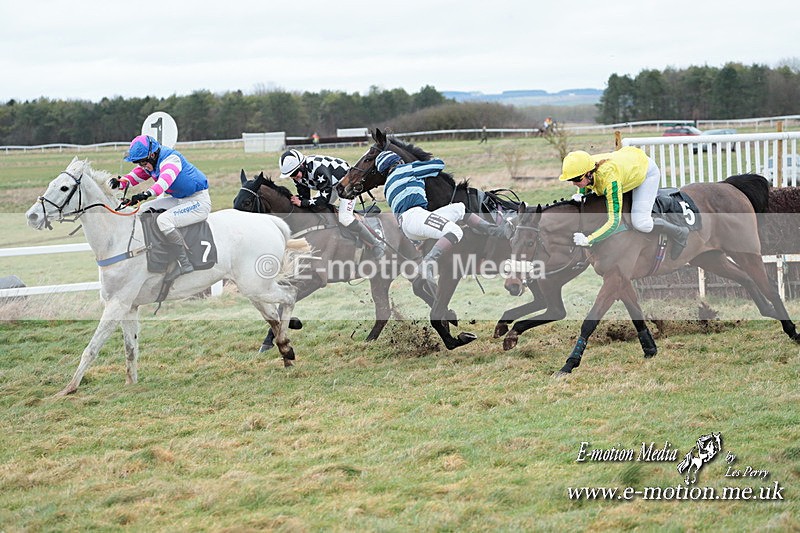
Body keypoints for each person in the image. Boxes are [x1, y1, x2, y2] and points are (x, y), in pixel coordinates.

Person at [374, 151, 513, 297]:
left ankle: (496, 231)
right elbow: (439, 164)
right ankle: (427, 264)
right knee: (455, 231)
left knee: (459, 208)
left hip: (410, 222)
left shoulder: (389, 184)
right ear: (398, 162)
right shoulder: (407, 169)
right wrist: (418, 161)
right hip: (415, 217)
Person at [560, 147, 688, 259]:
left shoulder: (610, 180)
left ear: (589, 173)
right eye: (570, 180)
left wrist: (589, 239)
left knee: (641, 223)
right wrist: (581, 193)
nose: (573, 183)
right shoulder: (586, 166)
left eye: (576, 179)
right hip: (628, 163)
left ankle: (679, 232)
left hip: (646, 172)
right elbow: (585, 182)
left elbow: (614, 222)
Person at [111, 134, 210, 276]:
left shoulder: (171, 159)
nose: (142, 166)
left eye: (143, 162)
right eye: (139, 163)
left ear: (152, 154)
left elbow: (164, 182)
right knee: (142, 210)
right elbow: (135, 176)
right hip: (179, 199)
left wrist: (145, 194)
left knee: (164, 220)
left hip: (198, 202)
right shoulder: (150, 162)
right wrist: (119, 183)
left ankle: (184, 262)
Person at [278, 148, 385, 258]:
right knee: (315, 210)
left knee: (344, 218)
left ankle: (376, 243)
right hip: (331, 186)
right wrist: (302, 201)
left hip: (347, 184)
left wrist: (303, 203)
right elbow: (305, 197)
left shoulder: (318, 169)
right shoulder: (298, 176)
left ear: (302, 165)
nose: (294, 177)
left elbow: (323, 199)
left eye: (295, 173)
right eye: (291, 175)